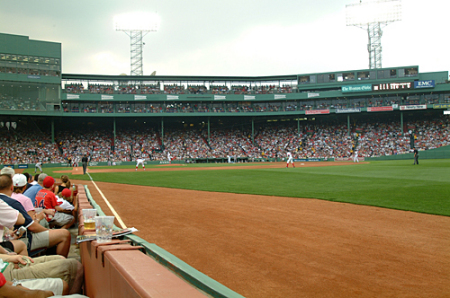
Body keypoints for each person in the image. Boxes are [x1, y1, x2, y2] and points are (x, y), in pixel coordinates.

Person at [0, 174, 72, 258]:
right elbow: (31, 226)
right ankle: (61, 264)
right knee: (65, 234)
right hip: (20, 239)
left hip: (8, 237)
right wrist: (44, 226)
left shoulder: (36, 193)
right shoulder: (17, 201)